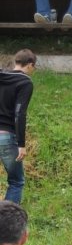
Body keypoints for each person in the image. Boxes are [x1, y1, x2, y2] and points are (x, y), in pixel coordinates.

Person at [0, 49, 35, 205]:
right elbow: (19, 113)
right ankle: (7, 218)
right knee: (16, 181)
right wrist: (21, 144)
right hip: (6, 136)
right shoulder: (25, 82)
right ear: (30, 65)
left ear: (16, 62)